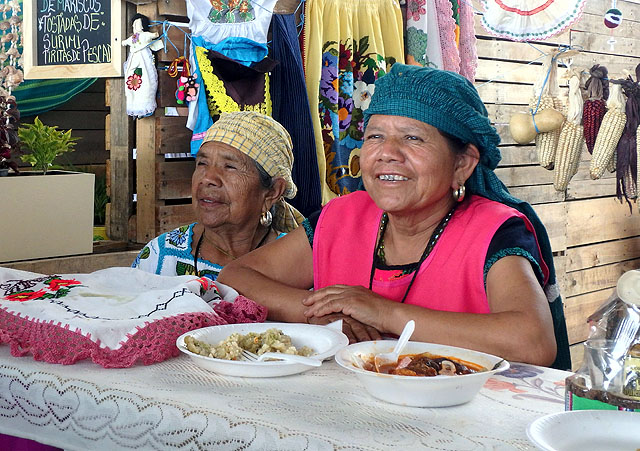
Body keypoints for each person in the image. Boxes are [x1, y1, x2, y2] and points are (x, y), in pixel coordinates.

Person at [218, 65, 571, 369]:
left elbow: (533, 343)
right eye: (375, 136)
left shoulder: (494, 231)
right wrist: (321, 312)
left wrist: (384, 313)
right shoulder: (343, 216)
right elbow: (237, 276)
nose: (387, 153)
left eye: (413, 138)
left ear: (462, 163)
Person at [132, 111, 304, 279]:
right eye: (202, 163)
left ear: (272, 193)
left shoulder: (300, 265)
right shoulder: (160, 256)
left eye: (229, 166)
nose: (207, 178)